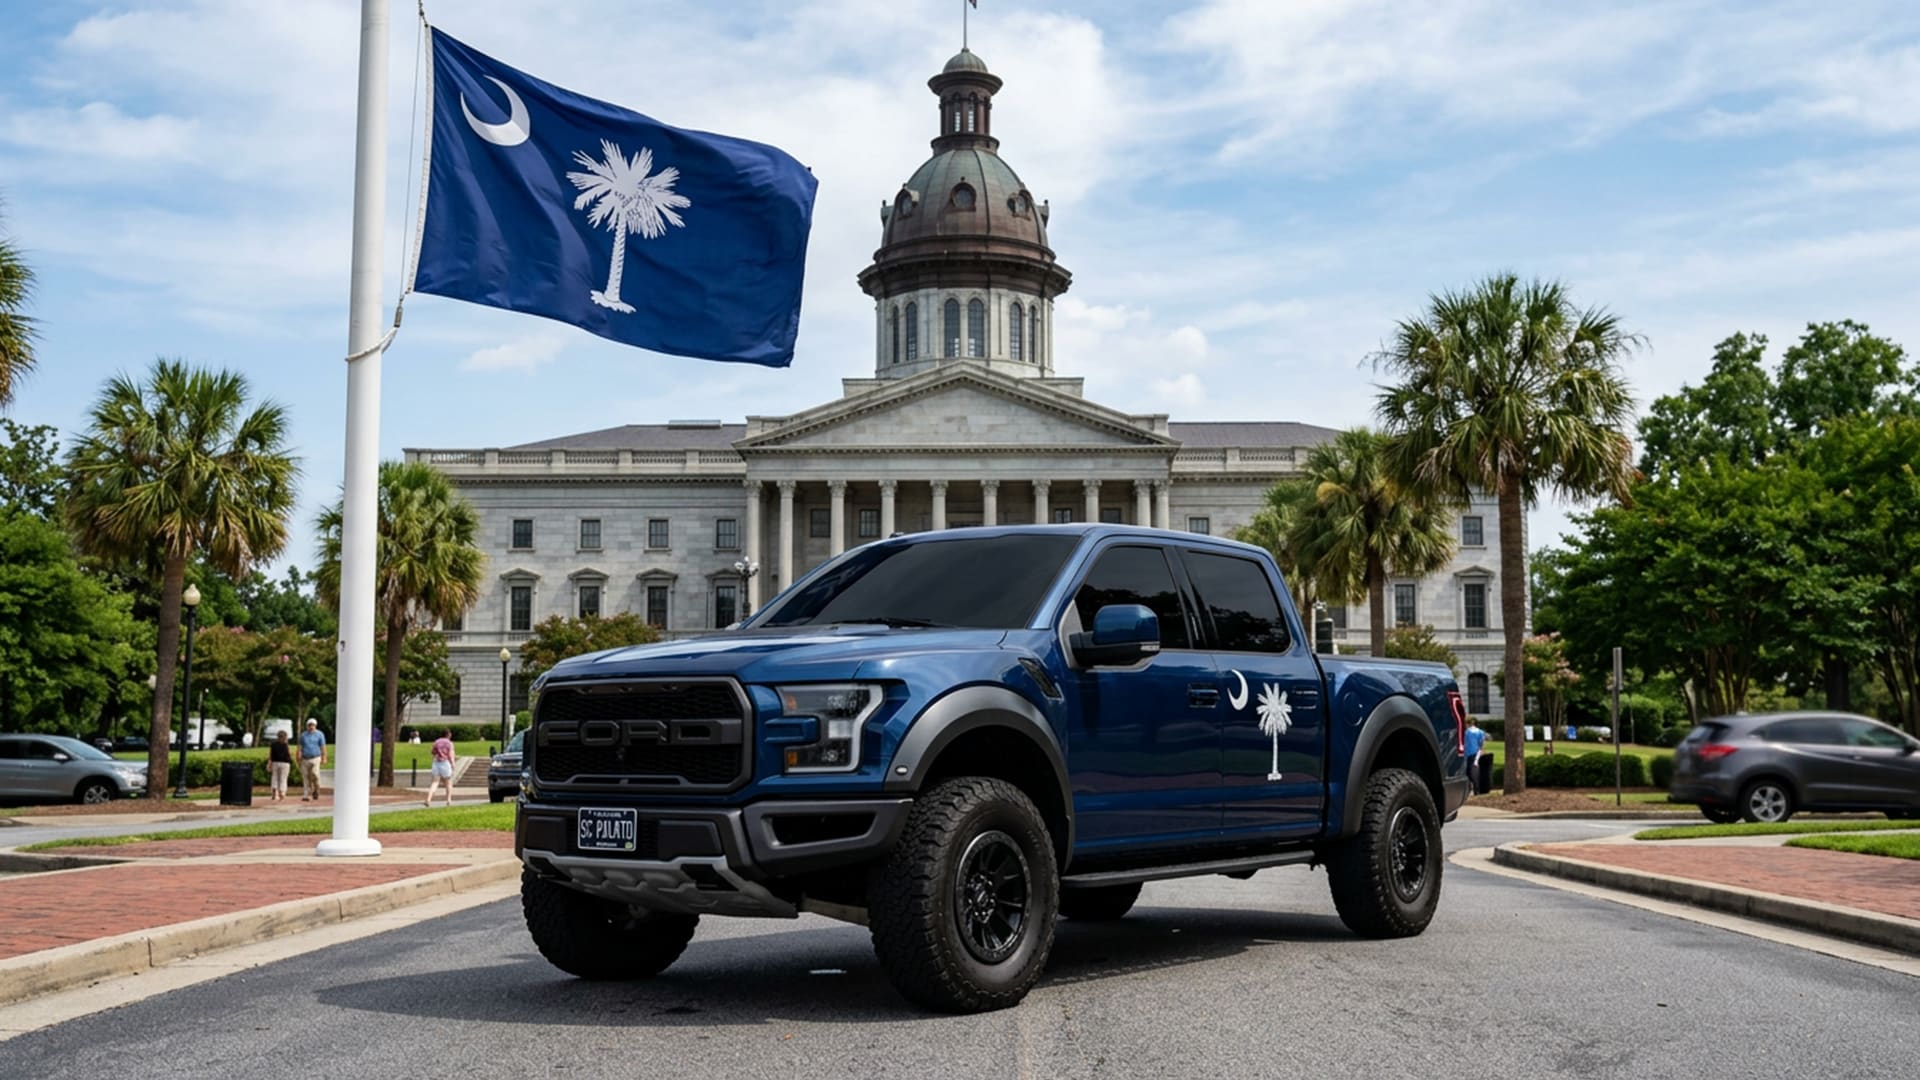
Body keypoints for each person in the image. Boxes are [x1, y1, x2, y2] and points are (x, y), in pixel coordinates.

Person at [424, 728, 457, 808]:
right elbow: (450, 754)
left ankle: (428, 799)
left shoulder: (436, 742)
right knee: (448, 782)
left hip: (436, 763)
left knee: (435, 783)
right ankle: (448, 800)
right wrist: (453, 763)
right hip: (445, 763)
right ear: (448, 734)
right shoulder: (449, 743)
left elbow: (433, 752)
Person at [298, 719, 327, 801]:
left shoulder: (320, 734)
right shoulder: (303, 735)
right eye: (310, 725)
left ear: (315, 725)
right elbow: (300, 747)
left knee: (315, 774)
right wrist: (299, 758)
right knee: (306, 777)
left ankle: (316, 789)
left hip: (316, 758)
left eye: (313, 725)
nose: (311, 727)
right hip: (305, 758)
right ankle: (306, 795)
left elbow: (323, 747)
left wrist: (324, 757)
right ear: (307, 726)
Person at [1463, 719, 1488, 795]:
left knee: (1471, 772)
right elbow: (1482, 744)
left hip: (1470, 753)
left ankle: (1475, 790)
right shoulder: (1480, 732)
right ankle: (1474, 789)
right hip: (1473, 753)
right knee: (1472, 771)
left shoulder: (1466, 733)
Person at [268, 730, 294, 801]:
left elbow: (270, 755)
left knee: (274, 777)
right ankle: (281, 793)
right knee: (283, 778)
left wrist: (269, 764)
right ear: (285, 737)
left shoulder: (273, 745)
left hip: (275, 762)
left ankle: (274, 793)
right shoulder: (286, 745)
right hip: (285, 763)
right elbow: (289, 754)